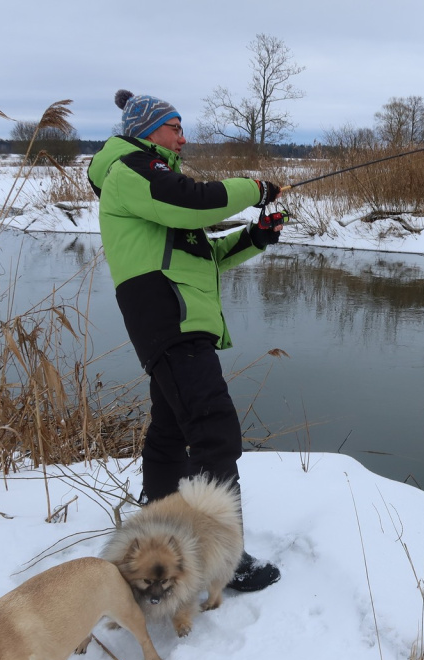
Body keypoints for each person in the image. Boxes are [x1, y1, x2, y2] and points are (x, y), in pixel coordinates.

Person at [88, 89, 284, 591]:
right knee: (214, 429)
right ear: (147, 129)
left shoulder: (154, 181)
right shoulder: (130, 170)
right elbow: (195, 202)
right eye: (174, 127)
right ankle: (222, 555)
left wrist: (256, 236)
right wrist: (255, 187)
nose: (183, 135)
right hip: (167, 316)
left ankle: (155, 536)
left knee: (172, 433)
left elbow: (203, 254)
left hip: (177, 318)